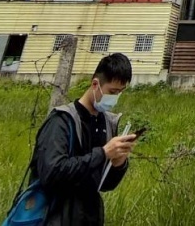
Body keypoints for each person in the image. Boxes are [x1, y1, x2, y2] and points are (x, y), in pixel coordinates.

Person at [32, 52, 137, 226]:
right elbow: (51, 173)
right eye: (112, 91)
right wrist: (103, 153)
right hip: (55, 216)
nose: (115, 97)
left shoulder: (107, 123)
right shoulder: (62, 121)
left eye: (120, 92)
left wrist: (118, 164)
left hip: (89, 216)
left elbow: (104, 184)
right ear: (95, 84)